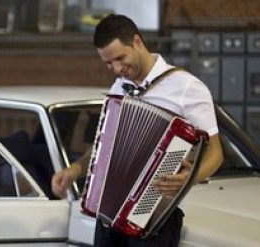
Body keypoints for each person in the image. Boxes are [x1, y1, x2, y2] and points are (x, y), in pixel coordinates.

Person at [51, 14, 223, 247]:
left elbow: (215, 154)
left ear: (138, 42)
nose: (116, 68)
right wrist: (75, 169)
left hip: (154, 222)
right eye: (109, 63)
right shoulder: (120, 87)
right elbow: (107, 145)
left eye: (120, 58)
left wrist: (187, 179)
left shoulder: (186, 87)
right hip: (108, 218)